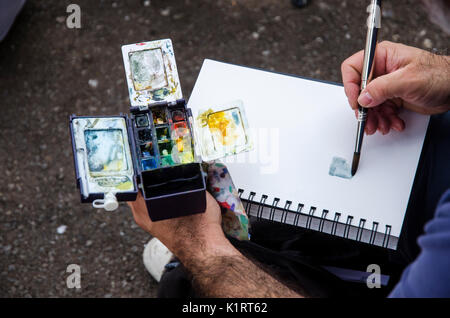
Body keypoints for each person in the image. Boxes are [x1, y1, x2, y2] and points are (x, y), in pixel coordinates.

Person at [129, 41, 450, 298]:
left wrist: (200, 250)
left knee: (187, 284)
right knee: (276, 229)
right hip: (420, 172)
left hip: (416, 235)